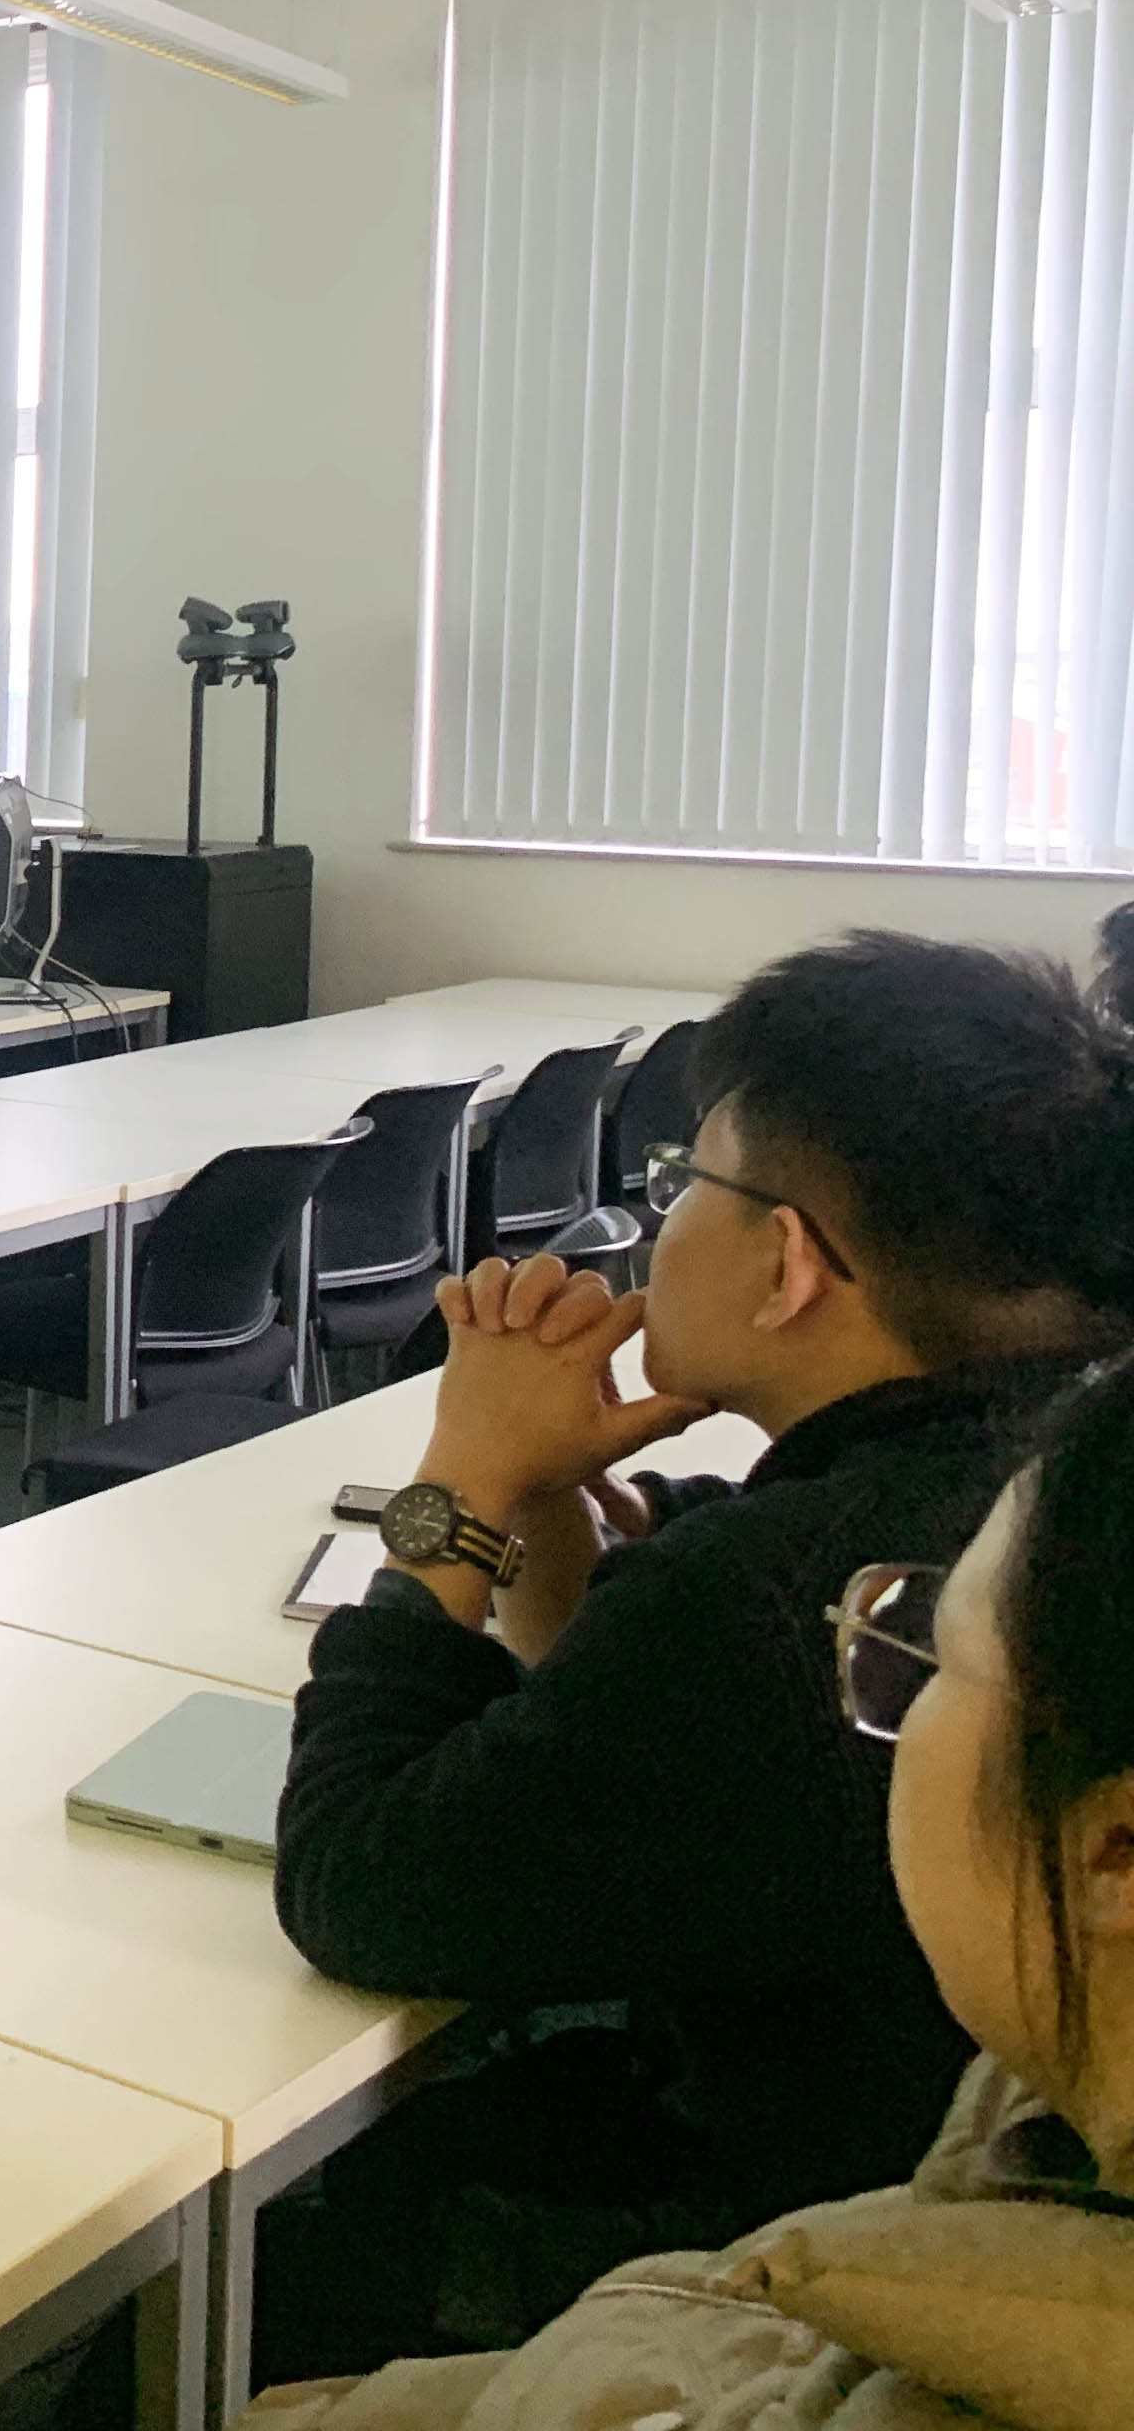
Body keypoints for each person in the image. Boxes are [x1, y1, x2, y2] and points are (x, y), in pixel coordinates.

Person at [258, 931, 1134, 2379]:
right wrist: (542, 1502)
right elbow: (631, 1716)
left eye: (680, 1186)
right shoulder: (1052, 1469)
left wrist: (458, 1488)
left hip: (743, 2263)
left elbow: (359, 1885)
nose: (653, 1223)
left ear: (787, 1262)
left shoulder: (797, 1598)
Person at [248, 1362, 1134, 2428]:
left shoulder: (768, 1587)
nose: (875, 1671)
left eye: (922, 1646)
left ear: (1115, 1851)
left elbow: (359, 1877)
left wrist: (461, 1483)